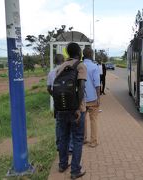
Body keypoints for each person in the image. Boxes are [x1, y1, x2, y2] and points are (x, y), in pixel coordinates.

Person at [55, 42, 86, 179]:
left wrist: (58, 107)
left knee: (63, 137)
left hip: (61, 108)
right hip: (76, 109)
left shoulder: (61, 67)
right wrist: (78, 108)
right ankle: (75, 171)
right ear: (79, 52)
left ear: (68, 53)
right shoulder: (80, 65)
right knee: (78, 139)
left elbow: (53, 89)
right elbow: (82, 87)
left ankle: (62, 165)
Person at [46, 54, 73, 153]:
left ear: (54, 62)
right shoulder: (68, 72)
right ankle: (70, 147)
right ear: (64, 61)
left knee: (59, 124)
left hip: (57, 103)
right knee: (70, 123)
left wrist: (54, 96)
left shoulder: (51, 73)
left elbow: (48, 88)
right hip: (69, 102)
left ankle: (59, 145)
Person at [83, 47, 101, 148]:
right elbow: (97, 84)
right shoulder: (94, 67)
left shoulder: (79, 66)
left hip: (81, 98)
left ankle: (84, 138)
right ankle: (93, 141)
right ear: (91, 55)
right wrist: (98, 98)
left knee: (83, 119)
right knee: (93, 119)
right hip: (93, 98)